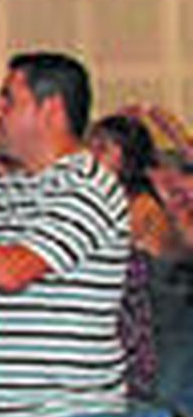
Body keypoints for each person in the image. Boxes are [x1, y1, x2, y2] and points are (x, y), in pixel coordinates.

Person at [0, 53, 129, 417]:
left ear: (50, 109)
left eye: (8, 98)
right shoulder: (4, 193)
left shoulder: (89, 188)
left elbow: (15, 269)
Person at [88, 113, 175, 399]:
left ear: (128, 157)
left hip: (153, 336)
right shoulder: (108, 201)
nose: (90, 157)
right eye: (90, 146)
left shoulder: (141, 206)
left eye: (102, 148)